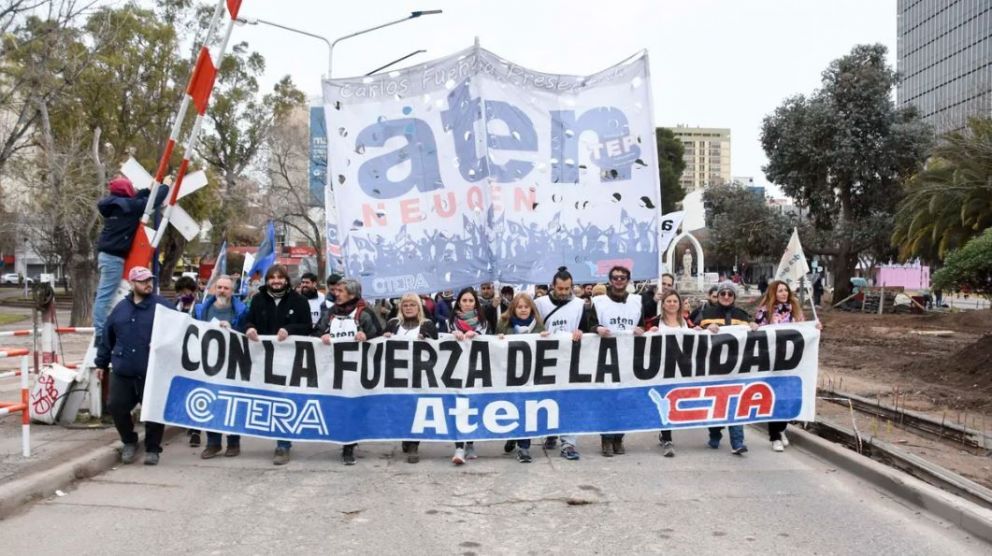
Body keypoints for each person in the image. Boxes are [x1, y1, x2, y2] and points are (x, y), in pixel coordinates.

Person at [93, 266, 172, 466]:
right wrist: (101, 363)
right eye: (143, 280)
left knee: (152, 411)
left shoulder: (162, 306)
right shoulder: (120, 308)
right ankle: (129, 441)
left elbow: (182, 327)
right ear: (132, 283)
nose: (148, 284)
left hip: (151, 370)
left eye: (150, 280)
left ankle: (153, 449)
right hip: (123, 370)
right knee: (116, 406)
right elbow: (107, 338)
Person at [242, 265, 314, 466]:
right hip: (262, 358)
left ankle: (283, 446)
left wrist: (289, 330)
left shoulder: (299, 301)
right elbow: (248, 321)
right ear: (267, 281)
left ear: (286, 280)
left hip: (289, 358)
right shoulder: (257, 299)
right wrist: (249, 329)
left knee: (284, 399)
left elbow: (307, 326)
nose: (276, 281)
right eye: (272, 277)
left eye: (279, 277)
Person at [92, 176, 168, 344]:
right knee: (105, 295)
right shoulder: (129, 207)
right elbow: (151, 202)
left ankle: (102, 328)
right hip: (113, 258)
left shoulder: (115, 206)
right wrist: (165, 187)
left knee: (106, 294)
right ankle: (100, 332)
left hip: (108, 255)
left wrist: (148, 189)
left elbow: (136, 199)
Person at [314, 278, 380, 465]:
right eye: (336, 290)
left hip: (358, 370)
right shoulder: (330, 314)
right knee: (339, 407)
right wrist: (322, 336)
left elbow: (381, 337)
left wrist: (367, 336)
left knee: (353, 407)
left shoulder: (365, 314)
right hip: (333, 370)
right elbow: (315, 333)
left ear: (352, 294)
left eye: (341, 291)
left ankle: (348, 446)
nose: (336, 293)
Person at [754, 280, 822, 452]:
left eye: (785, 290)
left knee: (788, 397)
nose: (783, 293)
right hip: (773, 362)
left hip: (793, 362)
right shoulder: (765, 312)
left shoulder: (795, 311)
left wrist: (815, 328)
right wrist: (754, 327)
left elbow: (804, 333)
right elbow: (759, 334)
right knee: (775, 399)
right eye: (779, 291)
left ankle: (782, 428)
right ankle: (774, 436)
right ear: (773, 294)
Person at [533, 267, 590, 461]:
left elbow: (586, 327)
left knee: (569, 400)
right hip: (546, 357)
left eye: (567, 288)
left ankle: (569, 443)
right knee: (547, 398)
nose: (564, 292)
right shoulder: (539, 303)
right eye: (560, 288)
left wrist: (582, 332)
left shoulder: (580, 304)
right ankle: (550, 431)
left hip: (570, 358)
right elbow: (531, 325)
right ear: (553, 286)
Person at [590, 265, 645, 457]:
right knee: (607, 399)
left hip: (629, 356)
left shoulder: (638, 301)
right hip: (606, 356)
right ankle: (606, 439)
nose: (619, 281)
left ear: (628, 280)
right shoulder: (598, 302)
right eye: (615, 277)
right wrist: (597, 328)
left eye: (623, 278)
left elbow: (644, 325)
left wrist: (641, 329)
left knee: (625, 399)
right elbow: (589, 323)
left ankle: (619, 438)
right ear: (610, 280)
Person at [698, 281, 756, 455]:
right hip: (713, 368)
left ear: (734, 297)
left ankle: (737, 443)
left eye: (729, 294)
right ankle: (715, 433)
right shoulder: (707, 313)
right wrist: (707, 328)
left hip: (736, 368)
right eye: (722, 293)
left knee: (735, 406)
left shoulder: (742, 315)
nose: (725, 297)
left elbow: (752, 337)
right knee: (716, 407)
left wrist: (753, 327)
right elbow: (695, 334)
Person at [194, 276, 248, 459]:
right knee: (211, 402)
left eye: (226, 288)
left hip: (233, 364)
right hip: (209, 364)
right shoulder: (202, 310)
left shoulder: (241, 310)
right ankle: (213, 443)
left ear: (232, 291)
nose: (222, 291)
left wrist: (233, 327)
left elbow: (246, 331)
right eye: (219, 287)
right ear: (214, 289)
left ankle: (233, 443)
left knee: (232, 403)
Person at [383, 293, 439, 463]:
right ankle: (406, 437)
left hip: (419, 375)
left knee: (416, 408)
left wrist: (427, 341)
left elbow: (437, 348)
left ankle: (414, 444)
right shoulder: (393, 324)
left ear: (418, 307)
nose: (408, 308)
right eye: (405, 305)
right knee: (401, 408)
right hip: (397, 375)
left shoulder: (427, 325)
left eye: (412, 305)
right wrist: (384, 337)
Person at [496, 293, 549, 463]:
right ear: (514, 309)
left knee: (527, 409)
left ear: (531, 308)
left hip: (531, 376)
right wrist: (499, 339)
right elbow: (494, 346)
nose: (523, 310)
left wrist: (546, 339)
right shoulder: (503, 324)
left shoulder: (539, 326)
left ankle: (524, 447)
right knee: (514, 407)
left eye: (526, 307)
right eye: (520, 307)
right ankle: (514, 435)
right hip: (509, 376)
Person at [448, 287, 490, 465]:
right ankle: (458, 447)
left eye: (470, 301)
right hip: (455, 370)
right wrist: (452, 335)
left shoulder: (483, 323)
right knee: (458, 405)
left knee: (473, 405)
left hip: (475, 369)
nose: (467, 304)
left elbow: (491, 341)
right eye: (464, 300)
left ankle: (470, 444)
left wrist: (477, 335)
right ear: (458, 302)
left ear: (475, 303)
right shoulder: (450, 322)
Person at [654, 290, 696, 457]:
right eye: (668, 301)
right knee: (666, 402)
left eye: (675, 301)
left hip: (682, 368)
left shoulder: (687, 322)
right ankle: (667, 437)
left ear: (679, 304)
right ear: (663, 304)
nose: (672, 304)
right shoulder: (655, 322)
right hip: (661, 369)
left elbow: (699, 335)